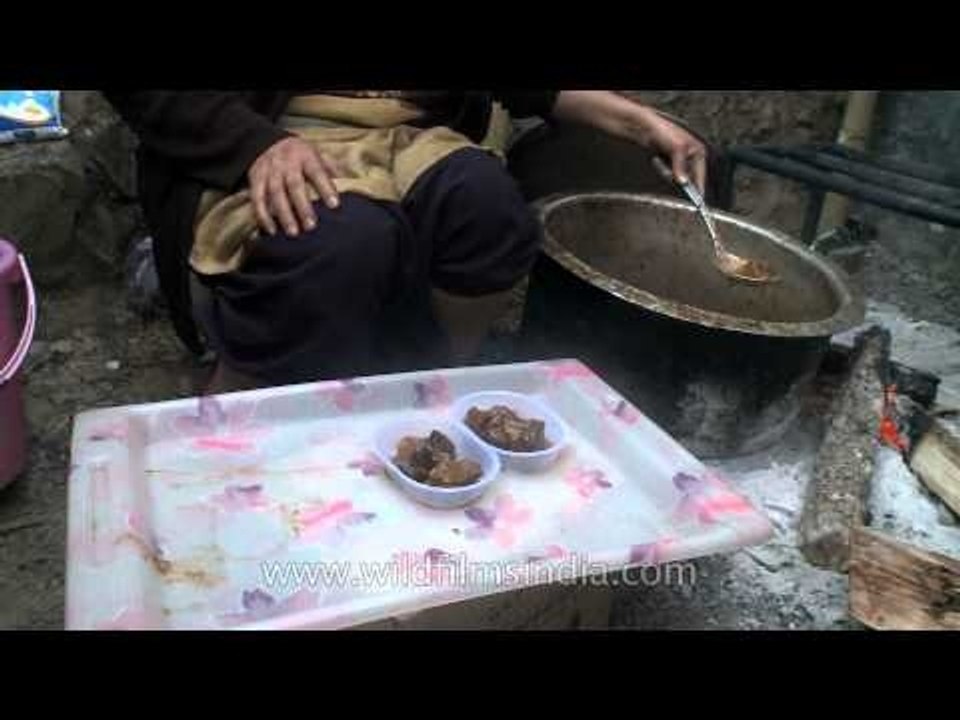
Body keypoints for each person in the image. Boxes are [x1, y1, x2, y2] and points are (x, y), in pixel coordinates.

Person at [106, 91, 708, 391]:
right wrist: (253, 146)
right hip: (266, 136)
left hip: (406, 138)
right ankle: (237, 419)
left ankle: (426, 388)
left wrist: (638, 122)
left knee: (488, 207)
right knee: (340, 241)